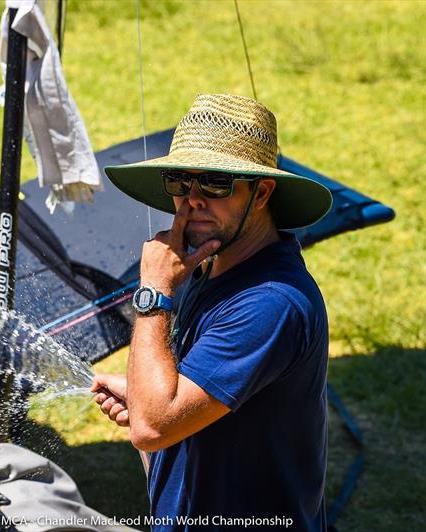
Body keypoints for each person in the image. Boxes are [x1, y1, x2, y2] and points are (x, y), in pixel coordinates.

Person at [91, 94, 333, 531]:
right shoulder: (211, 271)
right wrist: (150, 395)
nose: (193, 199)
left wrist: (155, 290)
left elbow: (153, 430)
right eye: (180, 182)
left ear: (261, 192)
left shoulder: (269, 303)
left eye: (216, 183)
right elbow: (168, 421)